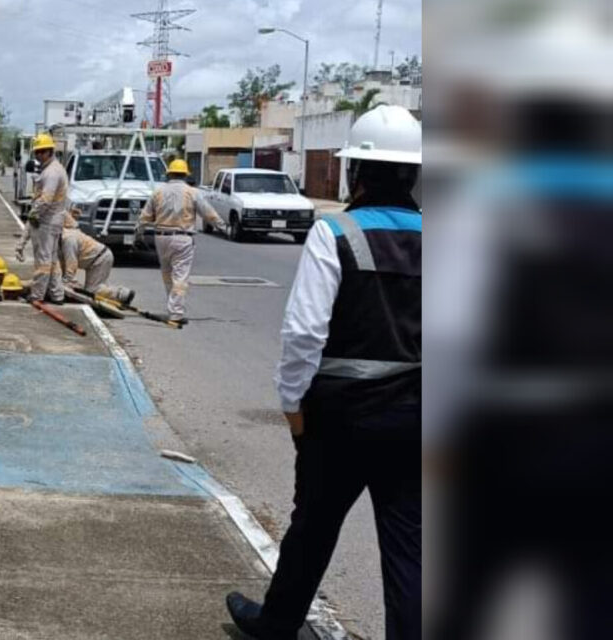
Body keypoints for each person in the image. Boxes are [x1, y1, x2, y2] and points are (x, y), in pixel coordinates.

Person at [225, 105, 422, 640]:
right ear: (416, 173)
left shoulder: (335, 232)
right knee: (410, 545)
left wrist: (292, 405)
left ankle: (277, 624)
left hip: (340, 419)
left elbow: (304, 334)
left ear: (355, 172)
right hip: (416, 419)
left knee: (313, 525)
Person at [135, 159, 227, 324]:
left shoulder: (158, 192)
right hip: (182, 238)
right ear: (185, 175)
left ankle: (172, 308)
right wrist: (222, 227)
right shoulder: (192, 192)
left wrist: (139, 234)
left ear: (169, 174)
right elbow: (208, 213)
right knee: (180, 275)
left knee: (166, 273)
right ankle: (176, 313)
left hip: (161, 237)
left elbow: (145, 216)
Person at [22, 133, 68, 304]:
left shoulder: (51, 172)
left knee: (43, 260)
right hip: (53, 219)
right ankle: (57, 295)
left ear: (50, 151)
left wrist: (34, 214)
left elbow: (46, 199)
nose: (39, 155)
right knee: (52, 260)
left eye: (42, 152)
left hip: (48, 220)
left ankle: (38, 295)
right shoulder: (54, 169)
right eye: (37, 152)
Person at [59, 212, 134, 305]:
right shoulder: (65, 236)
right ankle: (114, 293)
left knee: (92, 291)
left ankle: (122, 294)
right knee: (95, 288)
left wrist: (67, 282)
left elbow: (71, 263)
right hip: (97, 259)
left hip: (100, 259)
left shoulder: (68, 239)